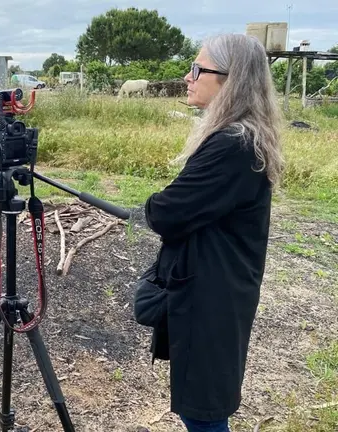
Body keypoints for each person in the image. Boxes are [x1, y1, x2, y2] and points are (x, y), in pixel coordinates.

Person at [133, 34, 284, 432]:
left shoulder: (234, 145)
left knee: (203, 410)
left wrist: (153, 204)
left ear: (231, 80)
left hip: (213, 294)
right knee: (200, 403)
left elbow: (166, 212)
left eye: (198, 69)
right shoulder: (239, 137)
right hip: (218, 286)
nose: (188, 76)